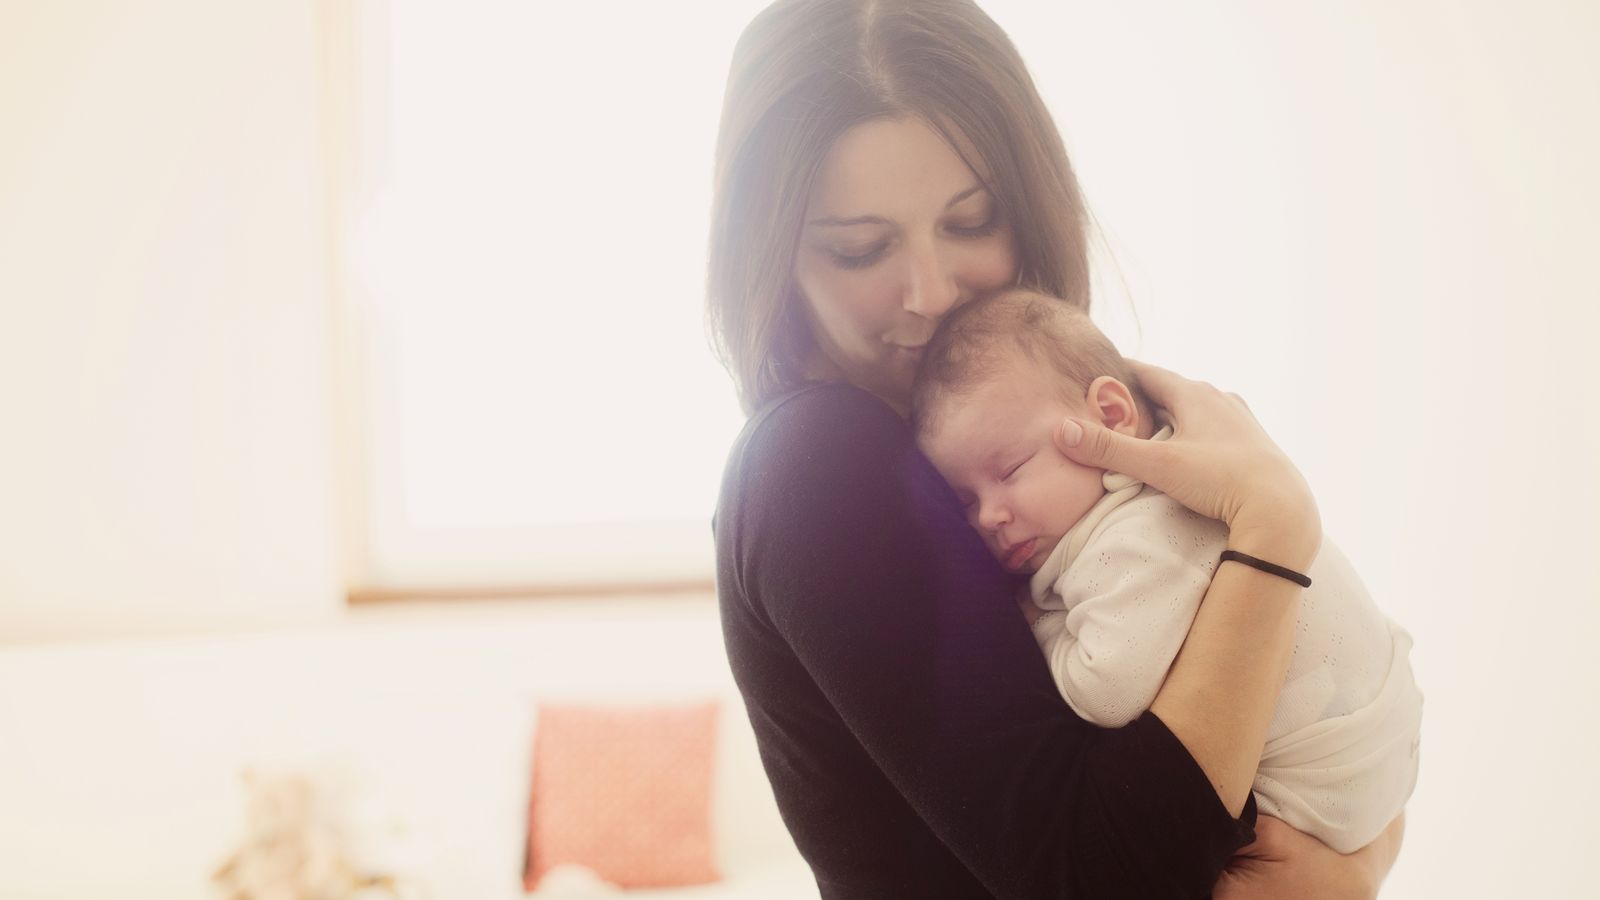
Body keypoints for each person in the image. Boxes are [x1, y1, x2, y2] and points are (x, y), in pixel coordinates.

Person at [706, 0, 1406, 896]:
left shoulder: (1027, 430)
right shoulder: (817, 460)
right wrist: (1273, 531)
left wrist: (1362, 851)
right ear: (772, 257)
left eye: (970, 223)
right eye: (860, 248)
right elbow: (1108, 875)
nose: (931, 293)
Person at [911, 289, 1423, 855]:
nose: (988, 516)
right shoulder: (1187, 480)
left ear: (1110, 416)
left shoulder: (1134, 531)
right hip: (1379, 747)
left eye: (1009, 470)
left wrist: (1035, 624)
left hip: (1326, 780)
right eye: (964, 501)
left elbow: (1108, 693)